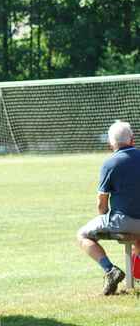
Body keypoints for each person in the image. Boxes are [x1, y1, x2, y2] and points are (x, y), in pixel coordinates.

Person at [77, 120, 140, 295]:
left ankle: (110, 270)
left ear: (111, 144)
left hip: (123, 220)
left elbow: (101, 203)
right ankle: (138, 269)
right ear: (132, 140)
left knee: (82, 234)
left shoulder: (110, 164)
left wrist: (103, 217)